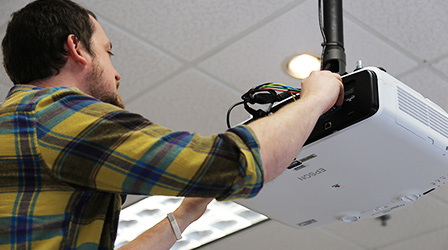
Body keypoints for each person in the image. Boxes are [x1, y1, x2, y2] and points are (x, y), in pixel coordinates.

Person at [0, 0, 344, 249]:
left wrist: (184, 215)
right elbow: (234, 165)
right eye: (108, 53)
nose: (116, 73)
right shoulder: (54, 117)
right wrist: (314, 98)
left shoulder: (23, 126)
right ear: (76, 48)